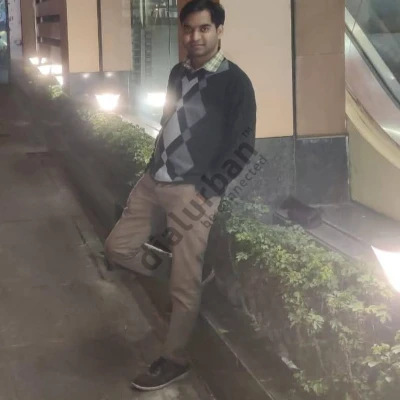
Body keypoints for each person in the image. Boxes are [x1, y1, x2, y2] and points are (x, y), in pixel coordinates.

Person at [104, 0, 257, 391]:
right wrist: (153, 165)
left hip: (193, 190)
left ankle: (173, 359)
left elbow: (242, 146)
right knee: (118, 248)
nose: (195, 37)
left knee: (183, 289)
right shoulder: (178, 72)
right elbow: (168, 120)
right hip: (154, 180)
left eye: (204, 28)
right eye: (188, 29)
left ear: (219, 30)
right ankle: (183, 274)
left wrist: (208, 192)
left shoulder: (235, 82)